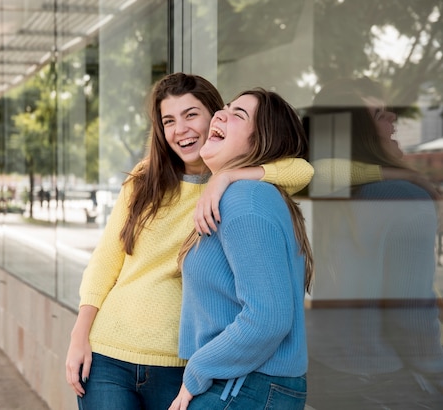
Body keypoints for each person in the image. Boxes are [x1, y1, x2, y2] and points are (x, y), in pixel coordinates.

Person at [65, 73, 314, 410]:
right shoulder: (145, 179)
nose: (179, 129)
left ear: (214, 117)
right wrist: (79, 334)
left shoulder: (235, 190)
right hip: (110, 350)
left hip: (179, 362)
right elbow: (107, 258)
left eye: (191, 115)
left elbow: (302, 170)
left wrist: (226, 177)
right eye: (169, 120)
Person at [168, 88, 313, 410]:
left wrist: (197, 370)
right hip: (246, 381)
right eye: (226, 108)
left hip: (244, 384)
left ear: (262, 141)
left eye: (238, 115)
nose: (220, 114)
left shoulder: (244, 199)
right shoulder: (249, 193)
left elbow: (269, 318)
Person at [305, 77, 443, 408]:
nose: (393, 118)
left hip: (316, 372)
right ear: (357, 130)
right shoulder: (402, 198)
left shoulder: (313, 194)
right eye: (380, 113)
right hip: (378, 381)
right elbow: (410, 313)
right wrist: (437, 375)